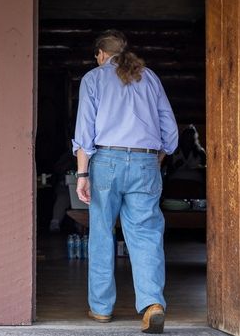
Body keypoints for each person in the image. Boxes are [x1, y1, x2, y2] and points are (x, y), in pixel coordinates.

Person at [71, 30, 178, 334]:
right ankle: (152, 304)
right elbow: (169, 130)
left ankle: (101, 309)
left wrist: (81, 175)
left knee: (102, 233)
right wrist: (157, 158)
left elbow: (85, 132)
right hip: (145, 161)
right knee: (145, 235)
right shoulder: (150, 77)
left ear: (100, 54)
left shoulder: (94, 78)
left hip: (106, 162)